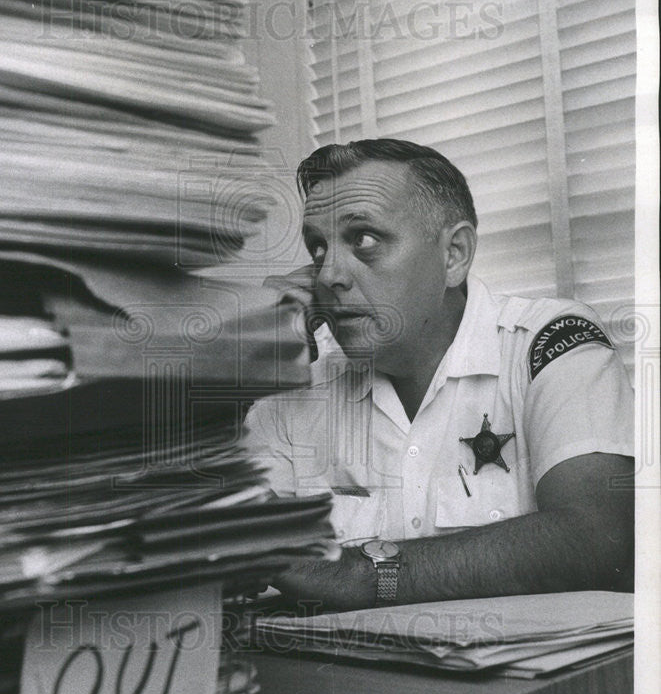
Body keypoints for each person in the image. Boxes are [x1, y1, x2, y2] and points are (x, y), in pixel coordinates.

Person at [244, 139, 634, 611]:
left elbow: (599, 539)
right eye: (318, 247)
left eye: (363, 239)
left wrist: (360, 574)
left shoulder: (550, 345)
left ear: (454, 255)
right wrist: (241, 366)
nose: (328, 275)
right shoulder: (294, 396)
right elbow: (220, 556)